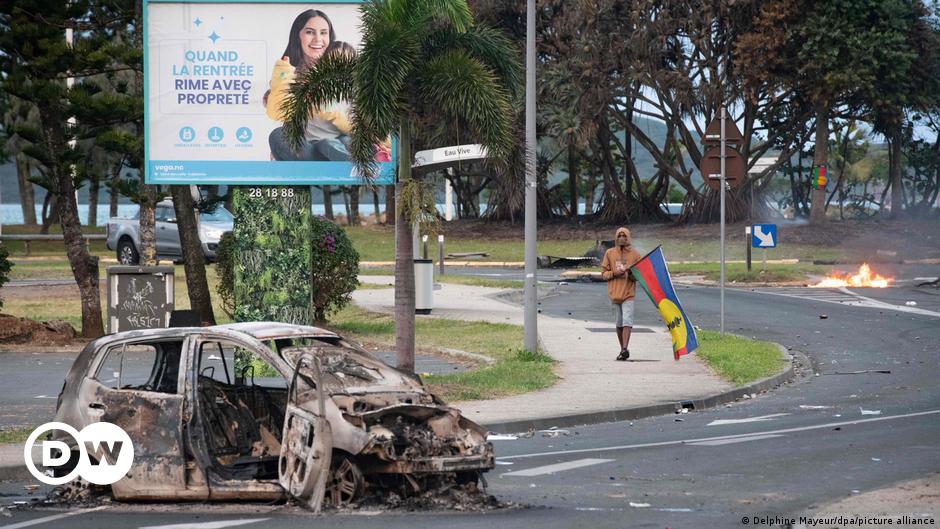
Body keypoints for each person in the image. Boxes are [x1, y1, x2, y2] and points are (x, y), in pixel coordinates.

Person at [266, 10, 353, 161]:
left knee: (346, 141)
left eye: (324, 33)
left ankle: (337, 160)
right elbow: (276, 112)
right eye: (310, 32)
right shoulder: (288, 70)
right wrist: (285, 80)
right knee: (278, 136)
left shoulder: (341, 65)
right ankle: (331, 163)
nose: (318, 39)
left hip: (337, 140)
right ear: (297, 36)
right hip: (307, 145)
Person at [600, 227, 642, 361]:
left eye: (624, 235)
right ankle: (622, 349)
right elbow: (604, 274)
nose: (622, 238)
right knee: (618, 324)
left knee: (627, 321)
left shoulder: (635, 255)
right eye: (619, 235)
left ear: (629, 237)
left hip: (628, 294)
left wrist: (631, 273)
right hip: (614, 294)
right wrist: (614, 273)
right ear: (616, 238)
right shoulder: (609, 253)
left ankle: (625, 348)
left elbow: (640, 276)